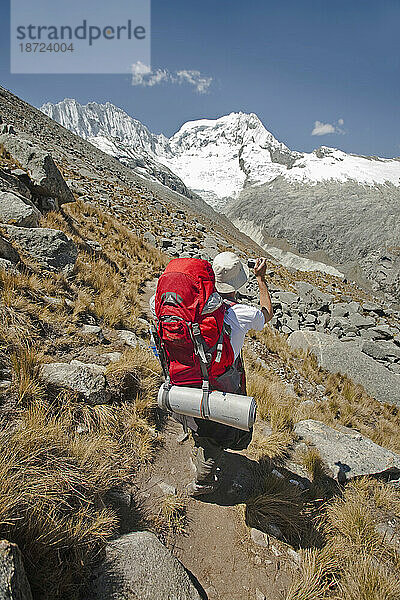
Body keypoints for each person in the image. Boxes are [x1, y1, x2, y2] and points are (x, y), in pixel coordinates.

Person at [188, 252, 273, 496]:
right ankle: (203, 480)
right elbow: (266, 313)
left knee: (198, 417)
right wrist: (261, 280)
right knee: (218, 430)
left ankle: (197, 439)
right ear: (237, 284)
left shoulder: (194, 303)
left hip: (189, 374)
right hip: (221, 379)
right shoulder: (242, 313)